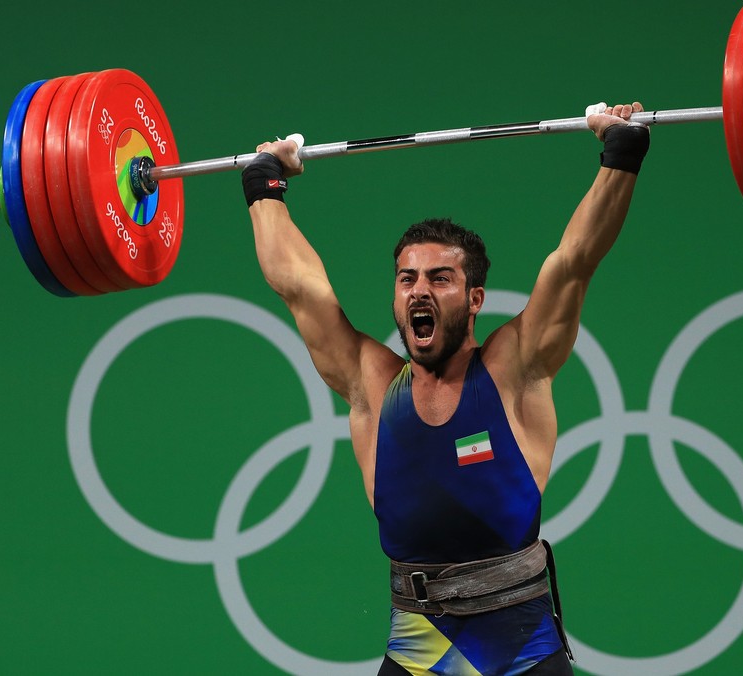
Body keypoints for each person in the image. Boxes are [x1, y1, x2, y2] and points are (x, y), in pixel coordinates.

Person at [243, 102, 649, 676]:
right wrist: (265, 184)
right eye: (407, 278)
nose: (418, 291)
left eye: (440, 278)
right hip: (417, 654)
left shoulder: (516, 368)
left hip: (523, 653)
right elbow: (299, 287)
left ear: (475, 298)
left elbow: (574, 262)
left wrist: (622, 151)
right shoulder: (373, 382)